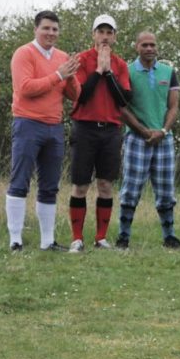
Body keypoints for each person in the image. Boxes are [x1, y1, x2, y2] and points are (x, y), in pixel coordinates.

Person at [5, 10, 81, 252]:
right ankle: (15, 239)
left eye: (55, 29)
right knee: (20, 181)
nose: (51, 33)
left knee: (50, 185)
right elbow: (26, 88)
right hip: (27, 123)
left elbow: (75, 95)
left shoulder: (62, 56)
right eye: (46, 28)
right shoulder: (23, 54)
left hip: (54, 126)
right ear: (36, 29)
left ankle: (47, 241)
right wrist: (59, 74)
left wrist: (69, 76)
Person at [67, 14, 132, 253]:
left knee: (106, 184)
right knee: (80, 185)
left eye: (109, 32)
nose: (104, 37)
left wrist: (108, 73)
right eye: (100, 31)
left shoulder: (121, 64)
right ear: (93, 34)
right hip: (84, 128)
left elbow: (124, 99)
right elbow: (81, 95)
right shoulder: (81, 60)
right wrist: (97, 70)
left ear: (114, 36)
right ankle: (77, 238)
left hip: (111, 130)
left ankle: (101, 237)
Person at [116, 32, 180, 249]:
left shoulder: (168, 71)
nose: (149, 48)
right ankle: (123, 237)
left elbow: (173, 106)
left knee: (165, 189)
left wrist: (163, 131)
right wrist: (144, 132)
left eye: (152, 44)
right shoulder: (126, 72)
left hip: (164, 139)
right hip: (137, 138)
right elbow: (121, 107)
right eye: (144, 45)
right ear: (136, 47)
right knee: (131, 188)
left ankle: (169, 236)